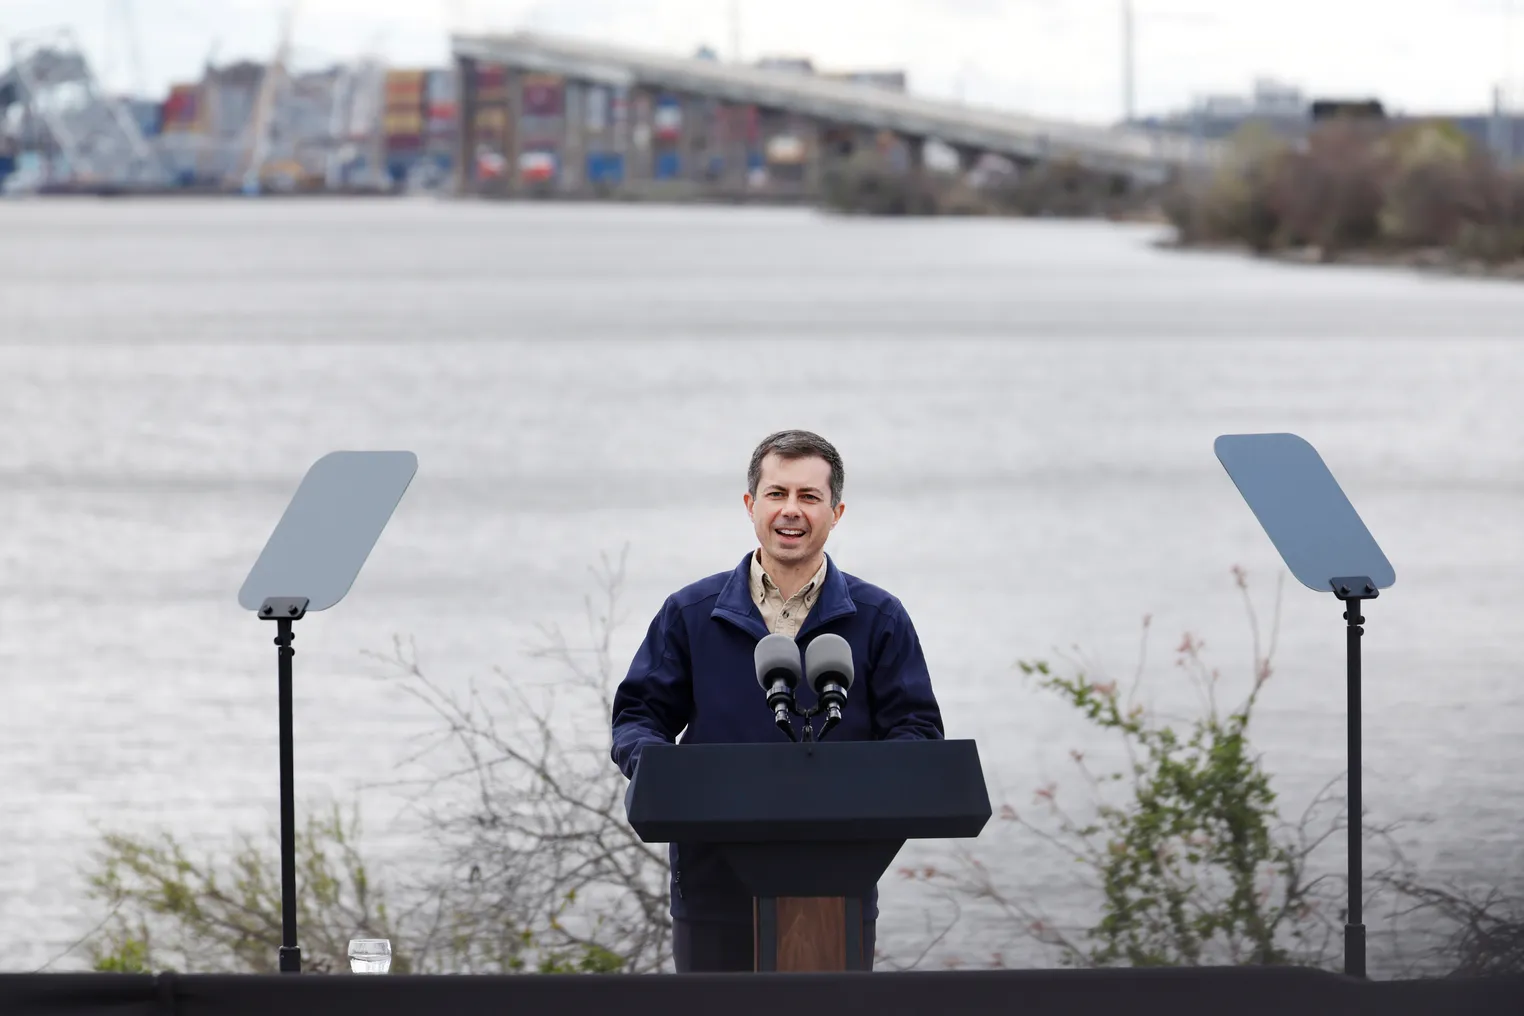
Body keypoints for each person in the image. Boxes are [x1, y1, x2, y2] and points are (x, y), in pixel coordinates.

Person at [609, 429, 945, 973]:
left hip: (838, 886)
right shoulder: (690, 613)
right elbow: (638, 718)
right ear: (751, 505)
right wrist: (668, 777)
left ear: (836, 512)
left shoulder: (880, 618)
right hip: (712, 884)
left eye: (809, 497)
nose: (792, 511)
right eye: (777, 494)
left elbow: (918, 733)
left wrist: (865, 798)